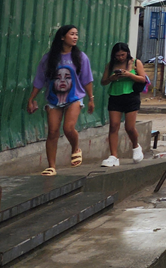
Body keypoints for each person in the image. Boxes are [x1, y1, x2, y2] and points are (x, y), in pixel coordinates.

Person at [26, 25, 95, 176]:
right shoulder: (49, 58)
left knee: (68, 128)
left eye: (77, 34)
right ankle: (51, 166)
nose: (75, 37)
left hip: (74, 97)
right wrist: (31, 99)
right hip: (53, 99)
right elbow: (39, 80)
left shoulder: (81, 57)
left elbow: (87, 80)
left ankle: (75, 148)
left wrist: (91, 99)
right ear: (62, 37)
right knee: (52, 132)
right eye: (72, 34)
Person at [100, 42, 146, 167]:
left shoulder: (136, 62)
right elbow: (103, 81)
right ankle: (113, 156)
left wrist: (129, 74)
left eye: (123, 55)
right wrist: (111, 78)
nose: (120, 57)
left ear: (127, 53)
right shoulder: (110, 65)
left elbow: (143, 79)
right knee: (114, 126)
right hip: (115, 95)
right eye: (118, 55)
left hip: (131, 95)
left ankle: (136, 147)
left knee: (129, 127)